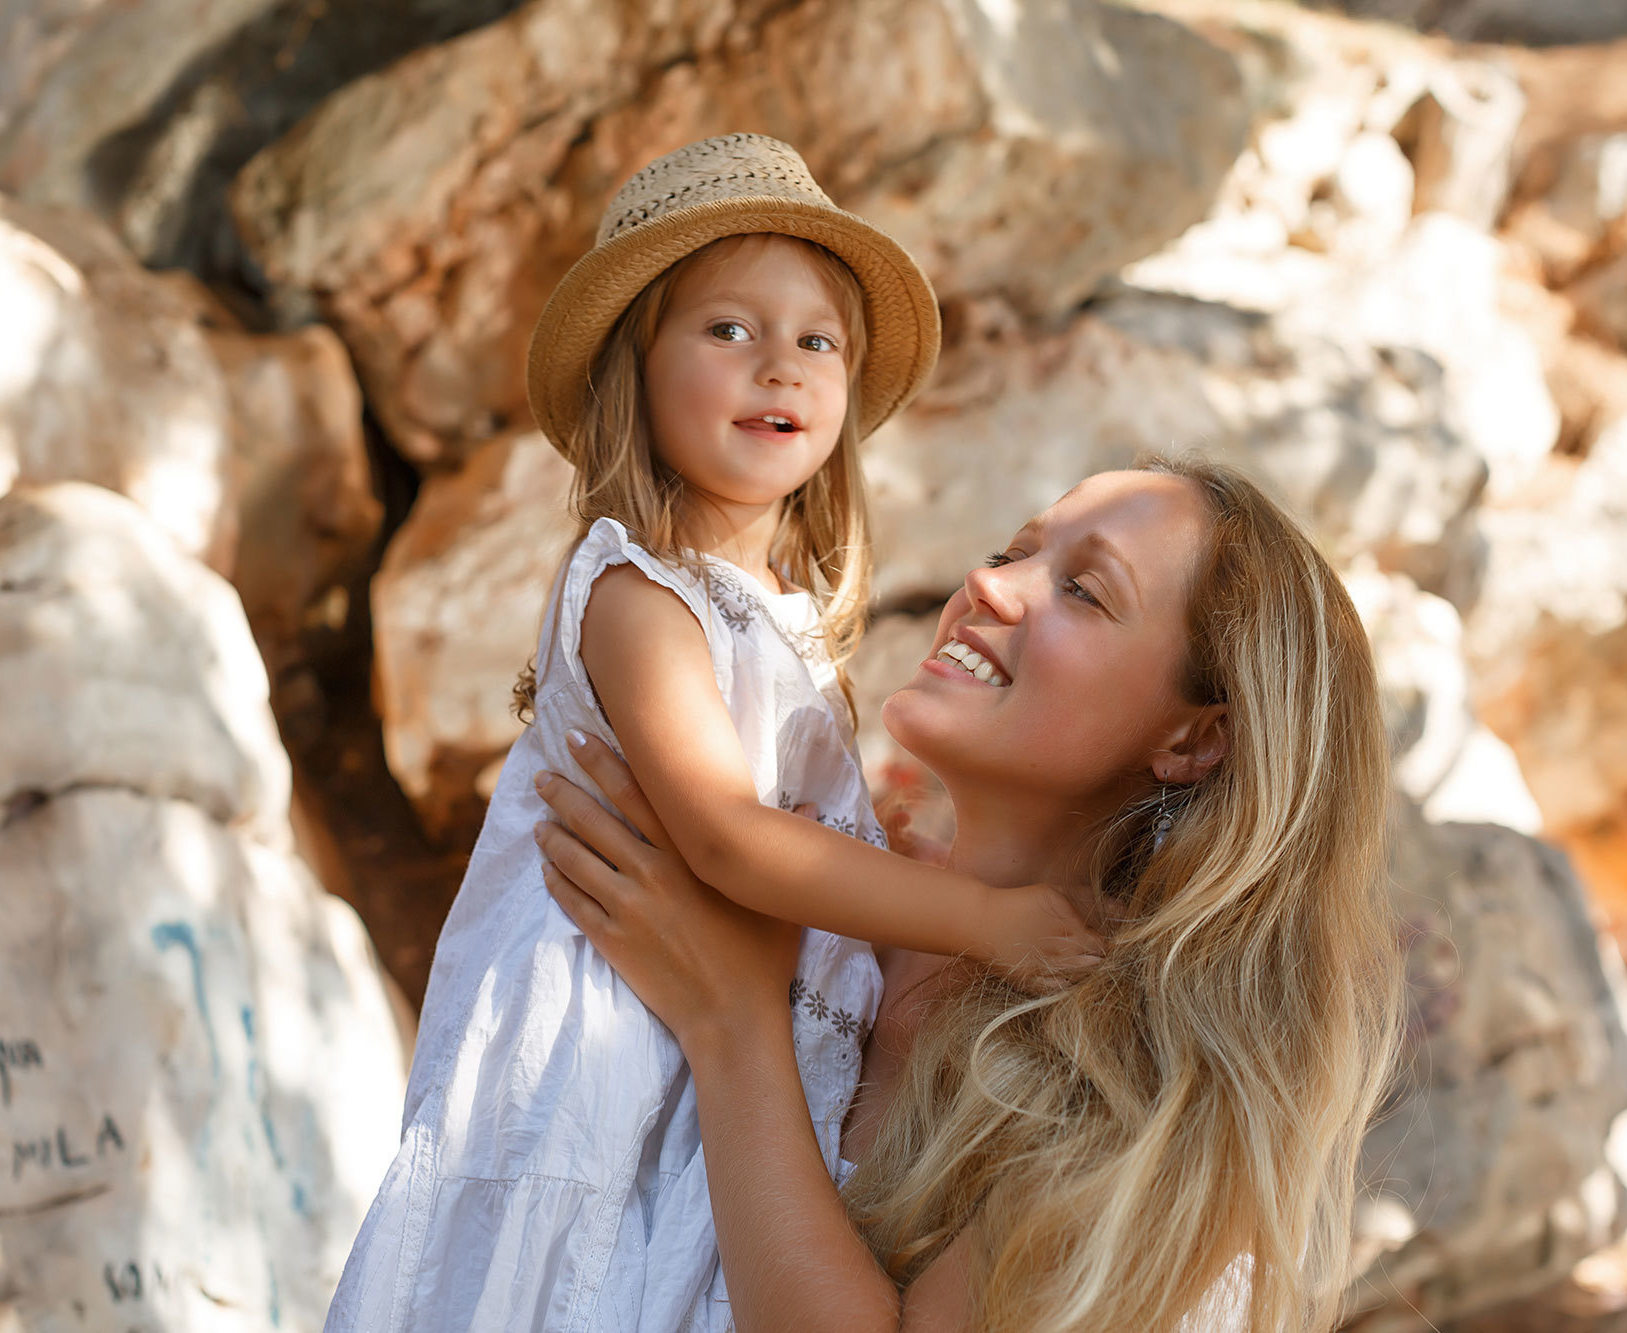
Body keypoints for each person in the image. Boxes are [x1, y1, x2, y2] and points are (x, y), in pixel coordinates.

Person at [325, 135, 1095, 1333]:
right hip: (595, 1046)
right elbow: (730, 843)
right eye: (727, 330)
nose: (777, 365)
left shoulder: (781, 621)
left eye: (815, 340)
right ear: (634, 374)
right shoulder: (638, 595)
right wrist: (987, 920)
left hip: (693, 1055)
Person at [533, 458, 1406, 1332]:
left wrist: (732, 1022)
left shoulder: (1141, 1091)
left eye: (1085, 591)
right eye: (1011, 550)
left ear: (1194, 736)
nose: (989, 583)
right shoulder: (813, 888)